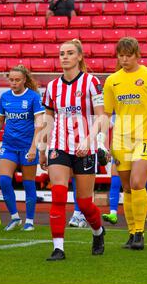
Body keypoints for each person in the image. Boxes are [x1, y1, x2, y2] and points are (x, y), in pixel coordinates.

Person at [103, 37, 147, 250]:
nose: (124, 59)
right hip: (121, 140)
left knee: (136, 182)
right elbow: (107, 114)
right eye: (120, 55)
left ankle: (140, 233)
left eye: (128, 55)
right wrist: (101, 142)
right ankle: (132, 232)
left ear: (137, 55)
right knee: (127, 188)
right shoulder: (111, 81)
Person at [40, 39, 106, 261]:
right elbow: (48, 119)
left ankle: (98, 231)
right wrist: (42, 147)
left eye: (69, 53)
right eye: (61, 53)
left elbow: (101, 116)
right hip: (59, 145)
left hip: (85, 147)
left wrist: (89, 138)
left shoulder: (91, 82)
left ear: (79, 57)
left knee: (85, 203)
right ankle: (58, 248)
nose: (65, 57)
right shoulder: (52, 87)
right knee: (58, 194)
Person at [0, 65, 44, 232]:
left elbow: (39, 124)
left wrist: (34, 147)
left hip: (28, 147)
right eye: (11, 80)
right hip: (9, 146)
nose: (13, 83)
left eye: (17, 80)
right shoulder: (5, 97)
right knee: (4, 180)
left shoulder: (33, 97)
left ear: (24, 80)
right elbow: (1, 118)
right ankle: (14, 217)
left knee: (28, 184)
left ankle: (29, 220)